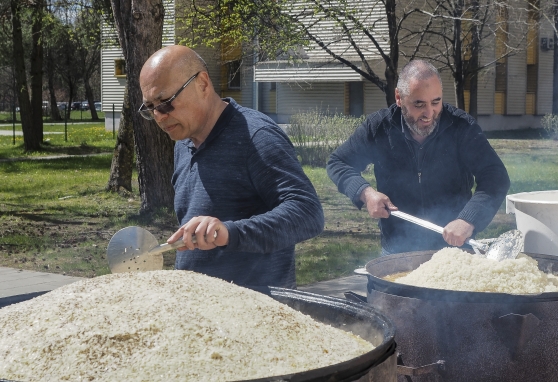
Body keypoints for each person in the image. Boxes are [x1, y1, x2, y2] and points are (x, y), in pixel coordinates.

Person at [139, 45, 324, 288]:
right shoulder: (183, 142)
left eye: (165, 102)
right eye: (150, 108)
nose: (159, 116)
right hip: (198, 309)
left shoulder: (257, 137)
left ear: (202, 84)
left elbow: (308, 213)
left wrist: (229, 232)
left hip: (257, 313)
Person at [327, 60, 510, 255]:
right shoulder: (379, 128)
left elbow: (495, 177)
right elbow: (338, 162)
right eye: (419, 104)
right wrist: (365, 193)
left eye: (436, 102)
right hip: (397, 250)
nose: (429, 114)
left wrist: (468, 220)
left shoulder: (461, 127)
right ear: (399, 97)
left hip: (455, 251)